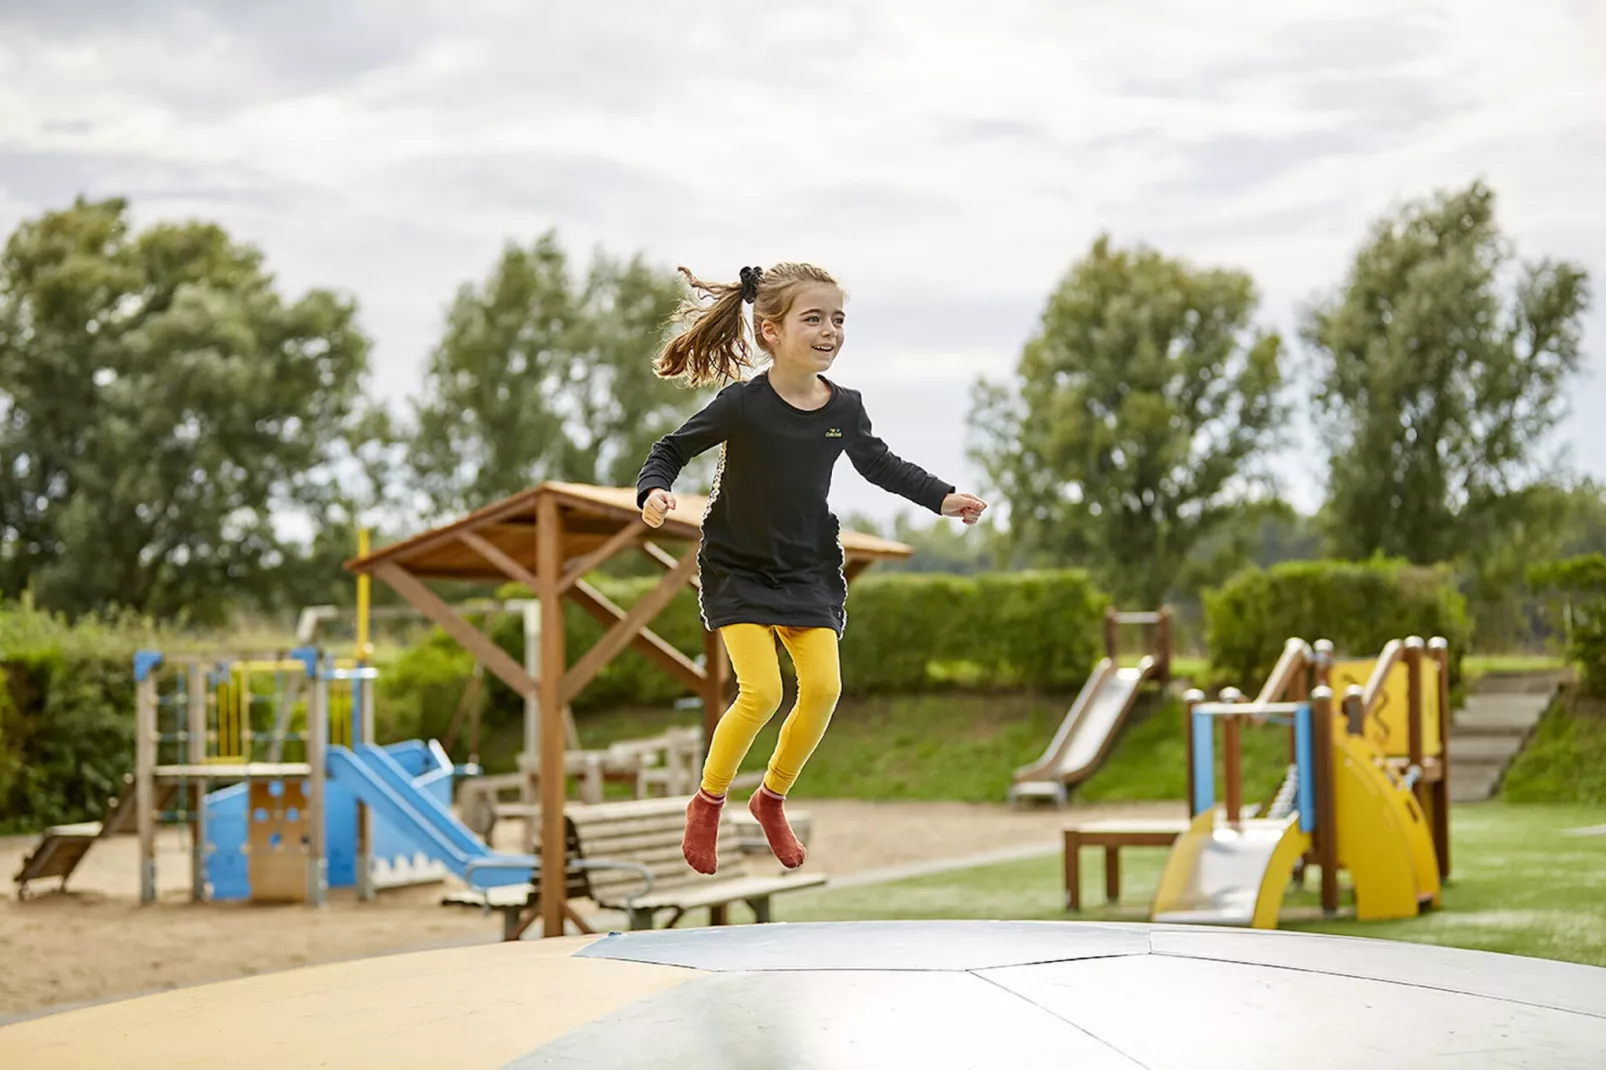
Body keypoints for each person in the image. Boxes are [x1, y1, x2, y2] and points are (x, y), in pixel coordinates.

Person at [635, 262, 987, 874]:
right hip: (738, 568)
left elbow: (881, 465)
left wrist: (942, 496)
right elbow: (671, 447)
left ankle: (770, 798)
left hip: (806, 569)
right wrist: (654, 491)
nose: (830, 331)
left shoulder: (844, 407)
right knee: (762, 692)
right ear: (771, 331)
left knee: (824, 689)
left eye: (838, 319)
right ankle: (708, 801)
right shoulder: (743, 404)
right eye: (814, 319)